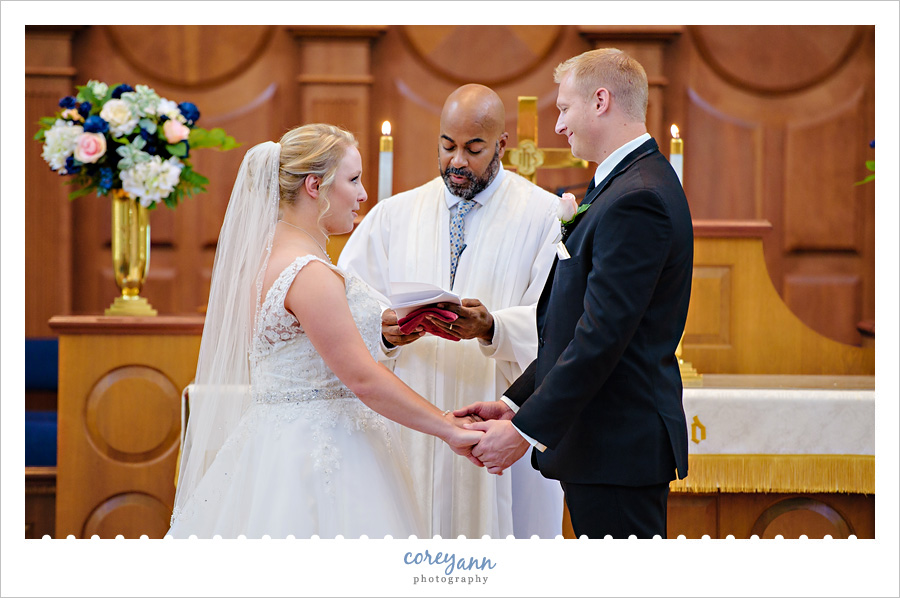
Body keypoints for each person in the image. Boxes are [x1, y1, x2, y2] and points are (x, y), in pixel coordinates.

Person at [167, 123, 482, 539]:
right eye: (353, 180)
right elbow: (362, 378)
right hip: (320, 455)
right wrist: (447, 426)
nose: (363, 194)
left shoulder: (263, 260)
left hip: (272, 446)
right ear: (315, 185)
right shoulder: (309, 272)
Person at [457, 48, 693, 539]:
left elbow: (601, 336)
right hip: (604, 446)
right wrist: (515, 404)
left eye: (565, 108)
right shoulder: (622, 184)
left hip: (618, 445)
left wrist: (523, 432)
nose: (559, 125)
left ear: (601, 101)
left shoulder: (638, 198)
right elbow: (570, 326)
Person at [337, 84, 564, 539]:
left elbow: (559, 321)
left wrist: (493, 327)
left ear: (501, 144)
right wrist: (384, 330)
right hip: (413, 423)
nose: (457, 161)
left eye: (473, 149)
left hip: (502, 419)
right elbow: (346, 303)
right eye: (447, 146)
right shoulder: (394, 215)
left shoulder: (545, 216)